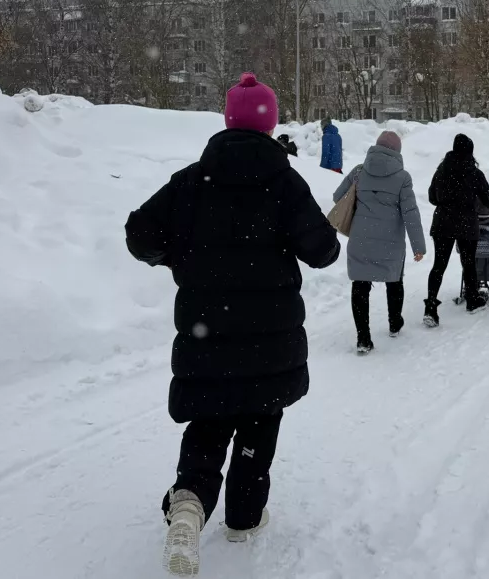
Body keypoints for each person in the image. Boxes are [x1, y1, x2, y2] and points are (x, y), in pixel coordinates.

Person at [125, 72, 340, 577]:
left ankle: (190, 501)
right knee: (260, 422)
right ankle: (243, 517)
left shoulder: (191, 180)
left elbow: (140, 234)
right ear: (269, 124)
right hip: (270, 342)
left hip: (207, 335)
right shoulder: (285, 181)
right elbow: (324, 251)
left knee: (209, 420)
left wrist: (180, 256)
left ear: (227, 120)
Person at [332, 131, 427, 353]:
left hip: (361, 239)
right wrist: (418, 247)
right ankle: (395, 323)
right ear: (397, 151)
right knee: (394, 281)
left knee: (360, 285)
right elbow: (410, 213)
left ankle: (363, 338)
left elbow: (338, 196)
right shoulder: (403, 177)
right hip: (390, 241)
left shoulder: (358, 171)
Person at [424, 133, 489, 326]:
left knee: (439, 265)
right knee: (468, 263)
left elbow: (432, 197)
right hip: (466, 223)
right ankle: (472, 299)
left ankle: (430, 308)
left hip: (443, 223)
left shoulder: (441, 170)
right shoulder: (474, 173)